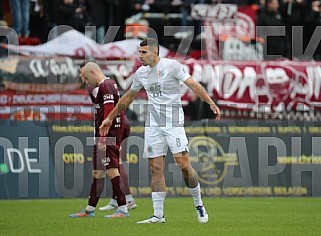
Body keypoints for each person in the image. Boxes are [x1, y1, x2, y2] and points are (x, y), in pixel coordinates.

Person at [100, 38, 221, 224]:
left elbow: (193, 85)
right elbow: (128, 98)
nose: (140, 56)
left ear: (155, 52)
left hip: (173, 124)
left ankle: (198, 203)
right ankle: (158, 215)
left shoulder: (172, 66)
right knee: (156, 168)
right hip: (153, 126)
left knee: (184, 166)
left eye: (144, 52)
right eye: (139, 52)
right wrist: (109, 118)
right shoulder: (141, 73)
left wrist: (210, 103)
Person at [69, 62, 129, 218]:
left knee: (112, 171)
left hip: (107, 136)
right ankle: (89, 210)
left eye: (85, 77)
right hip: (102, 135)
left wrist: (103, 138)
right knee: (98, 172)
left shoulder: (106, 85)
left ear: (93, 72)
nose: (85, 81)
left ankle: (123, 209)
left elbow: (110, 111)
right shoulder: (105, 86)